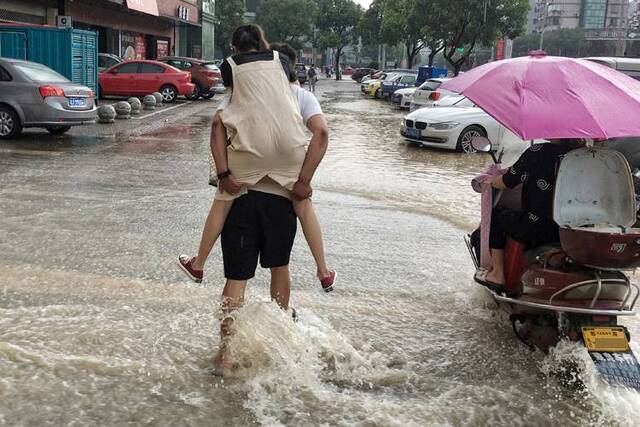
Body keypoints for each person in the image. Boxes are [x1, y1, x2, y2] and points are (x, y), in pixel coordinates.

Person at [177, 31, 336, 292]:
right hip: (289, 161)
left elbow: (218, 124)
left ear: (235, 47)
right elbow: (322, 133)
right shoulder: (298, 94)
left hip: (247, 165)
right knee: (301, 208)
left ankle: (199, 262)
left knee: (222, 199)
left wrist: (224, 174)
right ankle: (323, 272)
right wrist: (304, 181)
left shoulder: (236, 80)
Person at [480, 140, 579, 288]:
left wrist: (491, 181)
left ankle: (497, 274)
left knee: (498, 217)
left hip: (536, 228)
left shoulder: (537, 151)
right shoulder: (585, 156)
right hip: (572, 232)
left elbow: (508, 181)